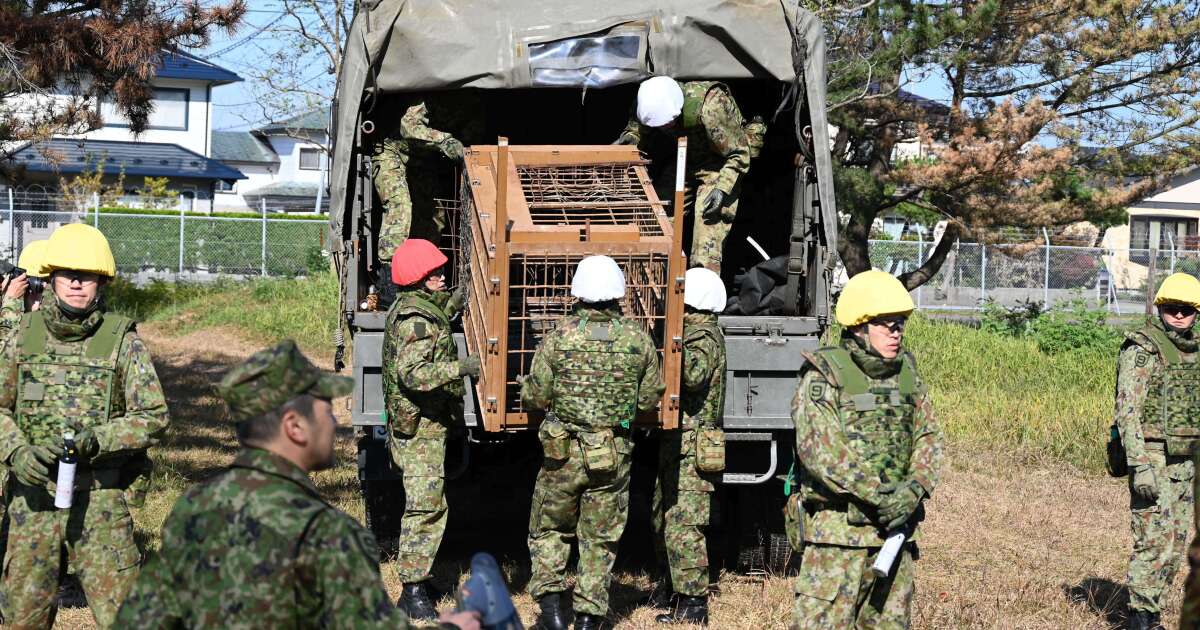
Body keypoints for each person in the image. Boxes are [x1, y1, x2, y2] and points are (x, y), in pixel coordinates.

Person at [113, 340, 481, 630]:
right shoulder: (332, 535)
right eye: (324, 410)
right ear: (294, 426)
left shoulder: (193, 507)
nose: (332, 422)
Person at [0, 223, 169, 628]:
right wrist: (17, 452)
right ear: (51, 278)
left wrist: (99, 439)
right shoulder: (22, 336)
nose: (77, 283)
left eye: (87, 275)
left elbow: (153, 416)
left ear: (102, 281)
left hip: (100, 501)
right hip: (32, 503)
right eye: (68, 274)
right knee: (22, 619)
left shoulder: (122, 341)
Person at [789, 269, 942, 628]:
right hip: (838, 541)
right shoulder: (824, 376)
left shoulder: (907, 374)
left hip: (894, 537)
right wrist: (883, 496)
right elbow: (822, 454)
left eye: (901, 324)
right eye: (887, 324)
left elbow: (929, 437)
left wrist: (915, 488)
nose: (896, 332)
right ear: (859, 327)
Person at [521, 255, 665, 630]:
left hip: (562, 454)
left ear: (578, 291)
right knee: (600, 538)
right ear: (618, 291)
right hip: (612, 453)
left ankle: (552, 613)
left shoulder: (558, 337)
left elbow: (537, 396)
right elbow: (649, 400)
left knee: (550, 529)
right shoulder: (638, 340)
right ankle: (588, 618)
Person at [382, 237, 481, 620]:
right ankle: (412, 591)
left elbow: (435, 323)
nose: (441, 275)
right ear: (418, 277)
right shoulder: (415, 320)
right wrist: (460, 368)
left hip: (422, 426)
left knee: (430, 505)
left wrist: (455, 302)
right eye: (434, 272)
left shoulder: (416, 307)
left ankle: (418, 582)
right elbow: (413, 374)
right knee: (424, 509)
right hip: (420, 430)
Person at [1116, 272, 1200, 630]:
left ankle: (1152, 616)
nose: (1179, 315)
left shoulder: (1195, 351)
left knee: (1176, 543)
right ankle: (1140, 619)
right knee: (1153, 541)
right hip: (1152, 456)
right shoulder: (1142, 348)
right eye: (1172, 308)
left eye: (1187, 310)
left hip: (1185, 460)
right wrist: (1139, 466)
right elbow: (1128, 412)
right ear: (1160, 307)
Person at [615, 75, 763, 272]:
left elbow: (739, 153)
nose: (664, 128)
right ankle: (653, 278)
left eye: (668, 124)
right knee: (656, 219)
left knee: (707, 234)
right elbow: (636, 131)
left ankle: (702, 284)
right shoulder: (647, 102)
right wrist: (630, 143)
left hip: (719, 164)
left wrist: (722, 188)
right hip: (684, 159)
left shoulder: (711, 106)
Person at [648, 267, 727, 625]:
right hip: (679, 443)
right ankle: (671, 587)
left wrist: (671, 347)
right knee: (663, 517)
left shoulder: (704, 337)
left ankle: (693, 603)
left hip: (693, 447)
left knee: (684, 525)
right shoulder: (695, 332)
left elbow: (692, 376)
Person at [373, 96, 481, 301]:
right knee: (400, 209)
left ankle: (427, 278)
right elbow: (408, 127)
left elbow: (470, 137)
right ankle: (389, 283)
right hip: (392, 151)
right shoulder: (431, 98)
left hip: (423, 161)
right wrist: (445, 141)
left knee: (434, 218)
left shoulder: (474, 104)